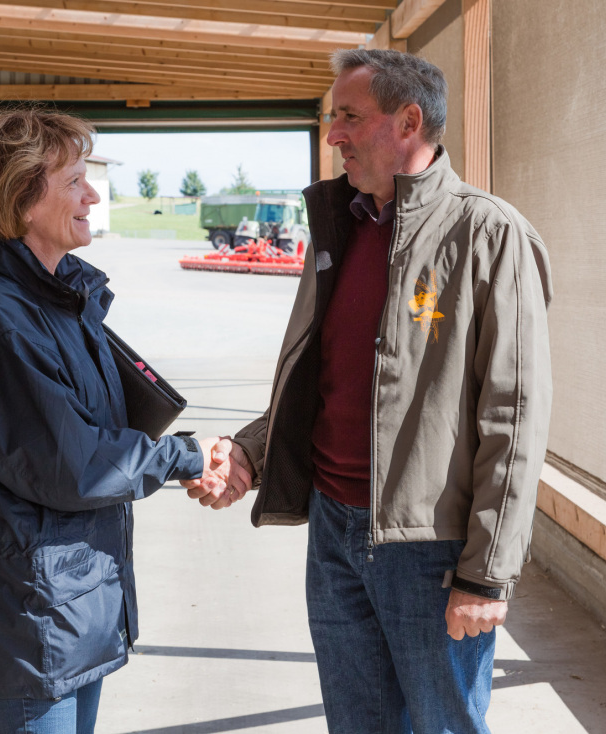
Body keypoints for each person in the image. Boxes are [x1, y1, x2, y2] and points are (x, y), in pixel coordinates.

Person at [185, 49, 553, 733]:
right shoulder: (343, 225)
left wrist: (486, 573)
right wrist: (249, 451)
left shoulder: (487, 232)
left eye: (348, 117)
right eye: (332, 119)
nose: (333, 136)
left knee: (442, 725)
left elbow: (515, 415)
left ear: (407, 121)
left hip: (427, 547)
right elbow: (324, 381)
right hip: (333, 527)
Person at [0, 109, 250, 734]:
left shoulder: (57, 299)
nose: (93, 194)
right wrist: (190, 457)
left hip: (69, 597)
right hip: (34, 613)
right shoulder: (1, 317)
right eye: (74, 180)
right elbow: (73, 462)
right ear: (23, 197)